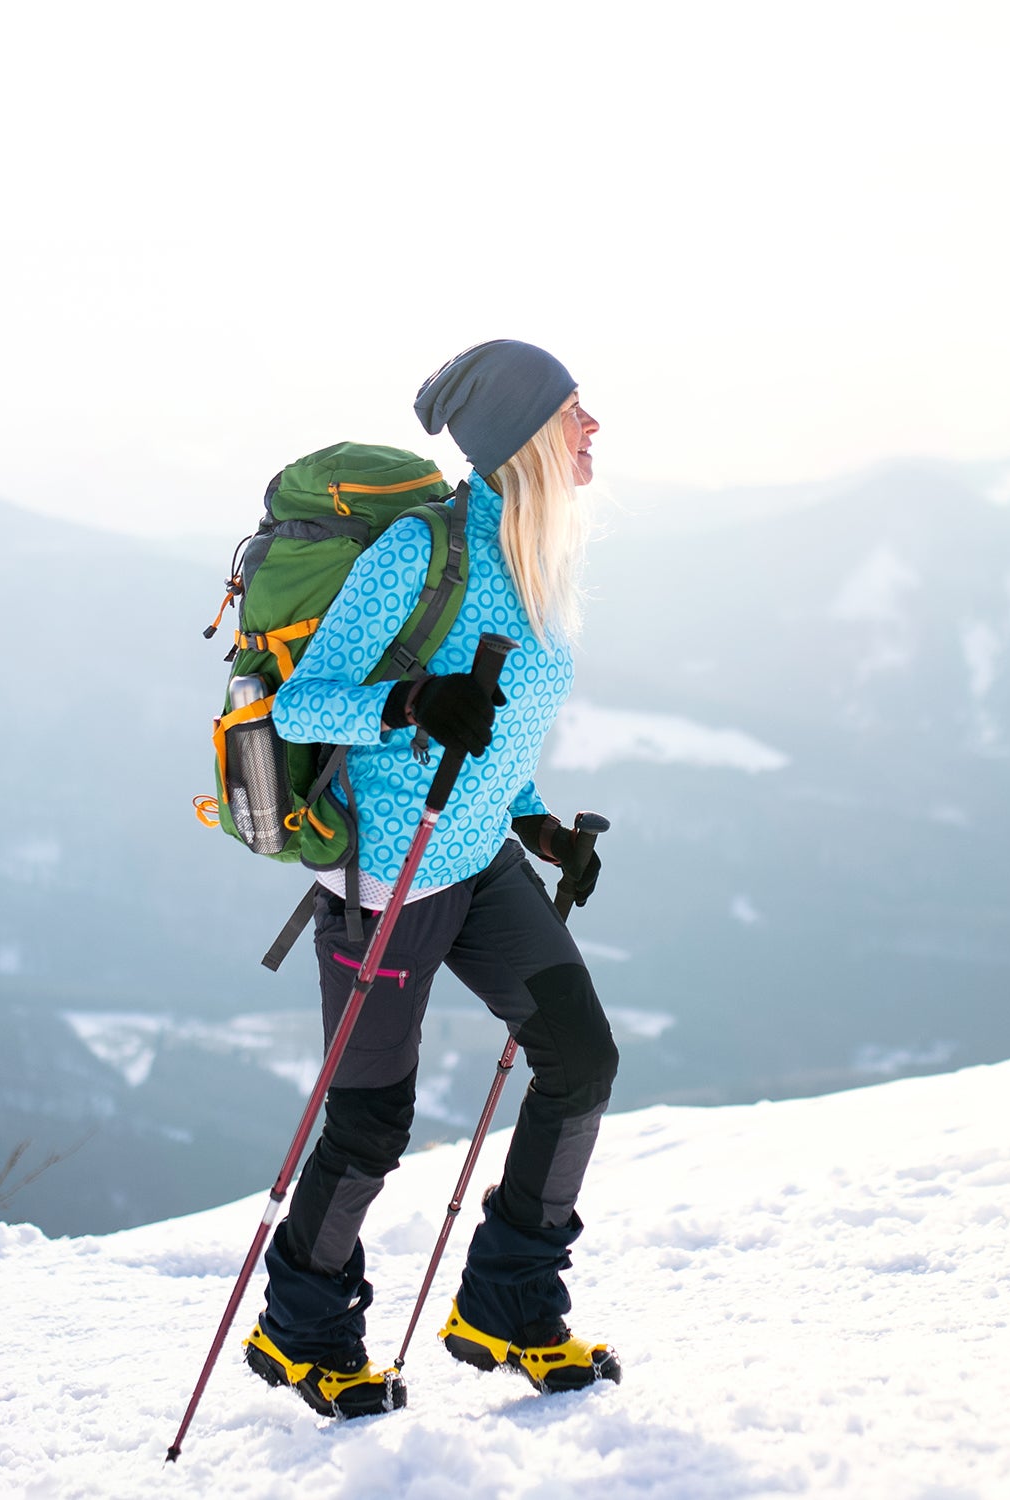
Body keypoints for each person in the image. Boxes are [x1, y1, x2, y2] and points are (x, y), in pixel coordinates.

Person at [241, 340, 621, 1418]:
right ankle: (302, 1332)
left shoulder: (533, 549)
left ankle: (508, 1306)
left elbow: (493, 731)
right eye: (575, 412)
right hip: (389, 882)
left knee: (580, 1061)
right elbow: (304, 707)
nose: (595, 430)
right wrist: (408, 706)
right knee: (368, 1127)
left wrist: (537, 824)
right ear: (522, 437)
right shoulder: (420, 551)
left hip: (474, 854)